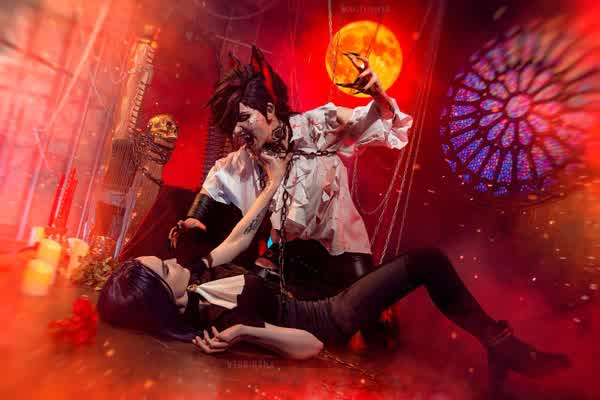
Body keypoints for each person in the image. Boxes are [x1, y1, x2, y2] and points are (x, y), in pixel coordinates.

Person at [98, 150, 570, 382]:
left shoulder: (196, 275)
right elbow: (312, 345)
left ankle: (498, 344)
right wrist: (245, 332)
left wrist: (274, 183)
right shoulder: (217, 323)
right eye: (165, 269)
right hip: (329, 318)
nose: (171, 259)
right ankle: (502, 346)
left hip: (304, 294)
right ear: (169, 298)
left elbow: (239, 236)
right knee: (427, 261)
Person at [169, 46, 413, 300]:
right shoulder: (242, 162)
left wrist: (378, 95)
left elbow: (383, 125)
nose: (238, 131)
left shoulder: (317, 126)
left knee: (363, 308)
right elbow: (214, 191)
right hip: (288, 258)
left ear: (269, 110)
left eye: (244, 118)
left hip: (340, 252)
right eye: (232, 125)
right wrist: (192, 222)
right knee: (255, 290)